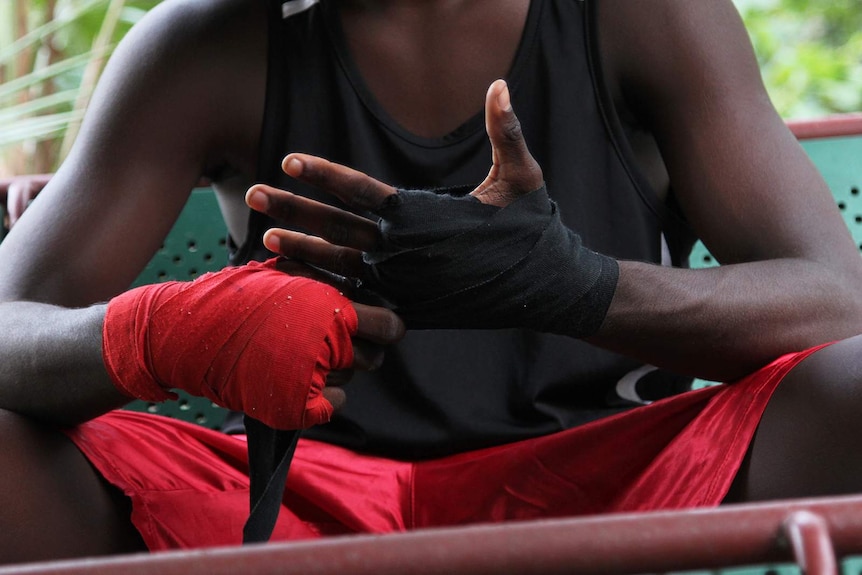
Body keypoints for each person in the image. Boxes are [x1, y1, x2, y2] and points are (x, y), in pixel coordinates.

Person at [2, 0, 862, 565]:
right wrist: (166, 330)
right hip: (291, 502)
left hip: (605, 484)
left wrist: (581, 287)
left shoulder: (645, 16)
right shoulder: (205, 41)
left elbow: (840, 297)